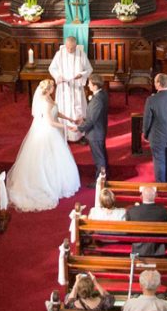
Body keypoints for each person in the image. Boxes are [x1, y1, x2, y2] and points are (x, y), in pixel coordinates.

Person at [7, 78, 82, 211]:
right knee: (47, 158)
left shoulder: (48, 98)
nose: (54, 88)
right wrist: (66, 126)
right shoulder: (45, 103)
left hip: (51, 130)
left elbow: (56, 112)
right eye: (53, 86)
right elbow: (50, 122)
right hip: (47, 131)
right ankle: (47, 184)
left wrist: (69, 118)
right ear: (48, 89)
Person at [142, 73, 167, 185]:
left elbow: (147, 119)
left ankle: (160, 184)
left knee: (159, 161)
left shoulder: (151, 100)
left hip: (157, 136)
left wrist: (145, 134)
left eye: (155, 81)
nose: (154, 83)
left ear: (159, 83)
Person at [49, 36, 91, 141]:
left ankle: (79, 135)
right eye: (68, 48)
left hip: (76, 88)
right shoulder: (59, 54)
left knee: (77, 109)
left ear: (76, 46)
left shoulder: (81, 54)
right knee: (64, 109)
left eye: (72, 48)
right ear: (65, 45)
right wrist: (58, 76)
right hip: (63, 88)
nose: (69, 50)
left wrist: (81, 75)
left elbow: (89, 69)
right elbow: (52, 68)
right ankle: (64, 134)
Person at [125, 183, 167, 257]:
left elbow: (128, 232)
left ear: (141, 197)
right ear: (155, 196)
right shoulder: (164, 211)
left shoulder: (132, 211)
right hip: (158, 246)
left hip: (138, 246)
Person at [79, 74, 110, 181]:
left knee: (99, 158)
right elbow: (94, 115)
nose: (88, 85)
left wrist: (79, 128)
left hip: (96, 133)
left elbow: (92, 120)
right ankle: (105, 175)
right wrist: (84, 119)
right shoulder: (103, 94)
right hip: (100, 130)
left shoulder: (97, 100)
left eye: (90, 83)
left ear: (95, 86)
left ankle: (101, 180)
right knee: (101, 154)